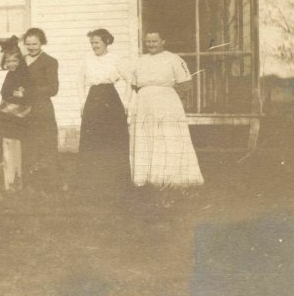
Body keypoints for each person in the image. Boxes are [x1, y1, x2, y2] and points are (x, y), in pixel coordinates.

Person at [129, 30, 204, 187]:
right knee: (147, 136)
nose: (151, 44)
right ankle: (145, 177)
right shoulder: (140, 60)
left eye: (154, 41)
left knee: (167, 136)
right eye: (148, 41)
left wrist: (167, 95)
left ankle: (170, 177)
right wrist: (148, 94)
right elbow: (134, 84)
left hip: (167, 105)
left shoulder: (173, 59)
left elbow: (186, 83)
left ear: (163, 41)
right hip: (144, 105)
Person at [78, 28, 133, 191]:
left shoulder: (115, 59)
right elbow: (79, 82)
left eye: (96, 42)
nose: (94, 46)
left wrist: (125, 103)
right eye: (91, 43)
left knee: (113, 139)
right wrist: (82, 104)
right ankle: (92, 180)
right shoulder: (87, 60)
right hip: (93, 99)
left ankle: (115, 180)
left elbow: (130, 80)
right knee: (93, 139)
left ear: (106, 42)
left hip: (111, 100)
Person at [0, 38, 32, 191]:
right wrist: (12, 96)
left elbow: (23, 95)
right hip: (11, 105)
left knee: (1, 123)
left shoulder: (23, 73)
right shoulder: (10, 75)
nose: (11, 64)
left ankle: (3, 163)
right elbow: (5, 93)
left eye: (14, 61)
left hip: (20, 110)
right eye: (8, 61)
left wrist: (15, 96)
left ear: (19, 60)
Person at [22, 28, 61, 190]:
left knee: (45, 145)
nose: (31, 47)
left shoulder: (50, 61)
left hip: (42, 109)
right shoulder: (20, 61)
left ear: (41, 43)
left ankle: (50, 183)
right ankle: (29, 183)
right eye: (28, 44)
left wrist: (29, 91)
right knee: (28, 146)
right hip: (24, 110)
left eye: (35, 44)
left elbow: (53, 89)